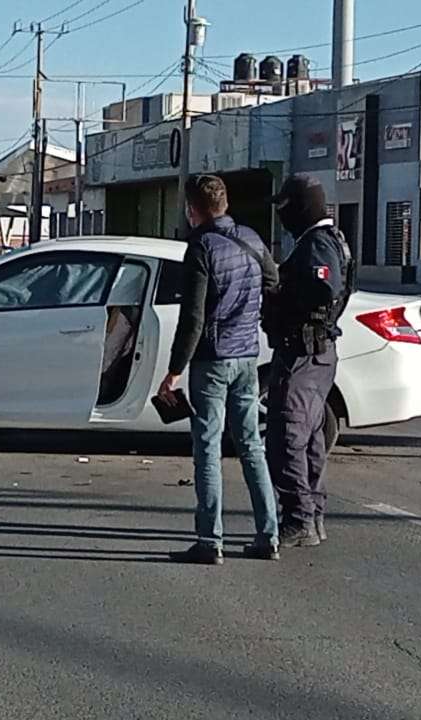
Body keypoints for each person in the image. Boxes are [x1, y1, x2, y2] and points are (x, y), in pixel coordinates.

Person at [158, 174, 280, 565]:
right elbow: (273, 280)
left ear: (193, 210)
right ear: (223, 205)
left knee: (208, 448)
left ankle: (210, 541)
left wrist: (174, 371)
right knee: (251, 446)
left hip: (212, 359)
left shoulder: (201, 248)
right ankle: (268, 535)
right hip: (247, 356)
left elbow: (192, 317)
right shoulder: (252, 239)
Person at [263, 175, 354, 548]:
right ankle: (311, 516)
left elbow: (324, 288)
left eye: (284, 207)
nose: (280, 216)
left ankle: (299, 519)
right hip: (315, 352)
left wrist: (281, 295)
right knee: (311, 439)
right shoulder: (327, 240)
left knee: (286, 436)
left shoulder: (317, 243)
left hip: (304, 352)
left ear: (298, 207)